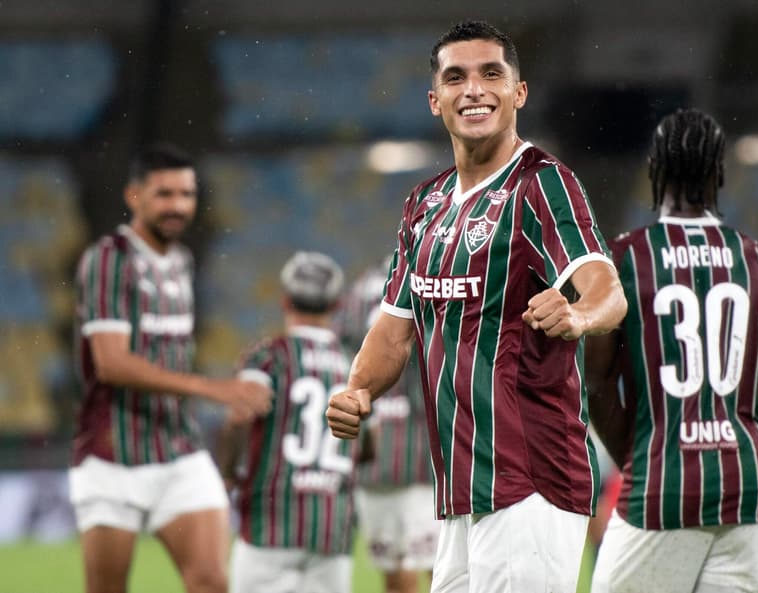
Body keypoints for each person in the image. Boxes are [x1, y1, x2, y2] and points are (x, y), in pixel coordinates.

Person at [326, 20, 627, 593]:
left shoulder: (542, 184)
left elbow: (605, 287)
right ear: (435, 99)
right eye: (457, 77)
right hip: (463, 491)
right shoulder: (425, 204)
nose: (475, 90)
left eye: (492, 74)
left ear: (519, 92)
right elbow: (394, 331)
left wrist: (580, 315)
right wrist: (359, 388)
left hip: (533, 479)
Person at [586, 108, 758, 593]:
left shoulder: (623, 260)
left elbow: (599, 383)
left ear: (653, 171)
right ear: (720, 174)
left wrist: (642, 457)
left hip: (664, 485)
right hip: (750, 490)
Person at [69, 143, 273, 593]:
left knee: (212, 582)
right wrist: (214, 389)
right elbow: (111, 363)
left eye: (186, 194)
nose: (178, 206)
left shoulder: (181, 262)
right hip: (111, 455)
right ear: (134, 197)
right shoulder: (109, 259)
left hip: (178, 450)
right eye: (164, 194)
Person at [216, 251, 359, 593]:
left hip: (271, 520)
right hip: (331, 526)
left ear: (284, 301)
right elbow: (369, 442)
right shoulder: (353, 365)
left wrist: (226, 472)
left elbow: (239, 417)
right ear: (337, 305)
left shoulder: (268, 357)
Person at [336, 257, 439, 593]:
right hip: (421, 451)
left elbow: (343, 359)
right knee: (440, 570)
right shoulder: (428, 274)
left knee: (398, 575)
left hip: (377, 458)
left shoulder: (359, 289)